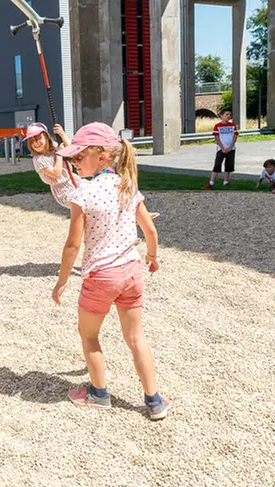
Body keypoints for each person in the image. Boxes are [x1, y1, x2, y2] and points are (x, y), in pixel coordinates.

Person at [51, 122, 170, 421]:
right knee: (136, 337)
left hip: (100, 276)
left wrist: (62, 281)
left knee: (89, 336)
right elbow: (150, 230)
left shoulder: (85, 194)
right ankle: (154, 401)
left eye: (79, 156)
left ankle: (99, 393)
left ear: (101, 155)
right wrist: (152, 257)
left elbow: (72, 246)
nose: (74, 162)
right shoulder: (128, 187)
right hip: (131, 272)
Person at [22, 122, 75, 208]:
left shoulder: (54, 147)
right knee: (83, 204)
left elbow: (72, 152)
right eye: (32, 141)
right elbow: (56, 174)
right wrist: (59, 154)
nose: (36, 143)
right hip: (63, 191)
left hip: (73, 180)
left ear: (46, 137)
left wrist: (62, 134)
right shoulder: (39, 159)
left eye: (39, 138)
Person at [206, 109, 238, 188]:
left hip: (231, 149)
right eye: (227, 114)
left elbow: (235, 136)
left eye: (230, 115)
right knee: (217, 165)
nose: (228, 116)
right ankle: (211, 182)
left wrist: (230, 147)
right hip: (221, 149)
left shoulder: (233, 125)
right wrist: (223, 148)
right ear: (221, 116)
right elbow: (217, 138)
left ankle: (226, 181)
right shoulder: (217, 126)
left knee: (228, 166)